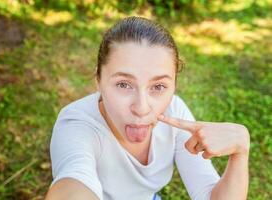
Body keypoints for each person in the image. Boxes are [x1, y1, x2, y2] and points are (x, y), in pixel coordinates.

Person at [45, 16, 250, 200]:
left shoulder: (174, 111)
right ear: (98, 79)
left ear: (174, 85)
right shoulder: (76, 123)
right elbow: (73, 183)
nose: (142, 108)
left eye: (158, 87)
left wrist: (241, 150)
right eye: (124, 84)